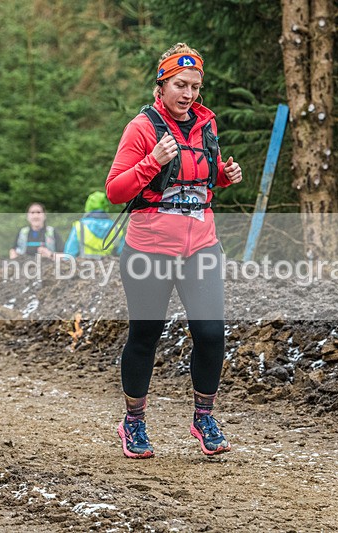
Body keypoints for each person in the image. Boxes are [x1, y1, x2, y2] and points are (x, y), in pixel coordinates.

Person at [105, 42, 243, 459]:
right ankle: (133, 423)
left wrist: (224, 174)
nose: (188, 94)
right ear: (160, 86)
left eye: (195, 86)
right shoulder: (142, 128)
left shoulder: (206, 124)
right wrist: (150, 161)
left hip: (201, 245)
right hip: (149, 249)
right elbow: (115, 191)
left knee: (211, 333)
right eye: (179, 85)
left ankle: (203, 417)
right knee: (146, 335)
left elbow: (201, 174)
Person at [63, 191, 124, 258]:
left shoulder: (79, 227)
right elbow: (123, 255)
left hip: (84, 267)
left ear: (88, 206)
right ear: (106, 207)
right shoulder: (116, 229)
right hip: (109, 267)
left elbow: (69, 255)